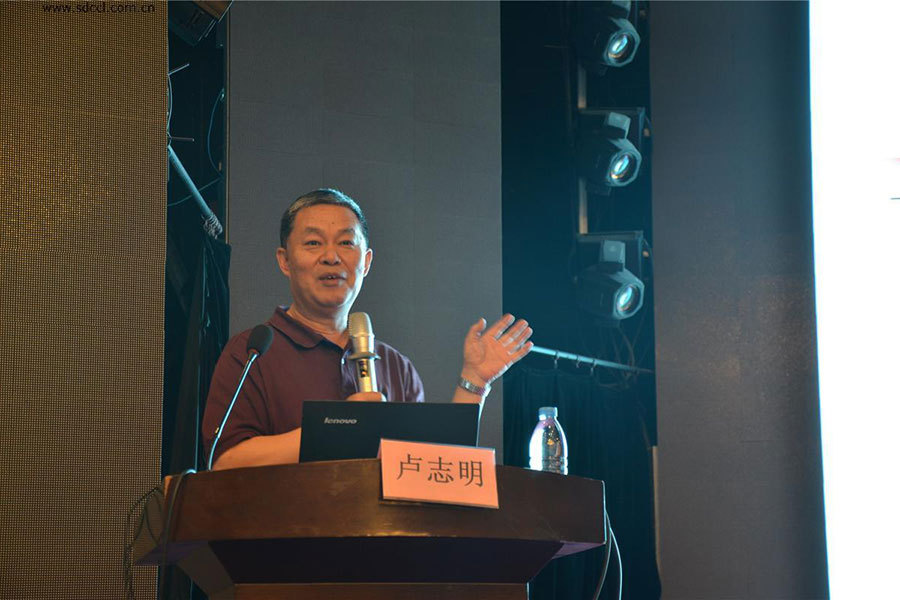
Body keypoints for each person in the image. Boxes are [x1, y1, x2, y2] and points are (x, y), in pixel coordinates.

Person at [201, 189, 533, 470]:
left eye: (346, 243)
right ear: (285, 261)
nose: (331, 257)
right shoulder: (252, 351)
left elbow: (432, 467)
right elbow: (225, 461)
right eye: (313, 243)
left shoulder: (395, 366)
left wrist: (474, 382)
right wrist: (339, 430)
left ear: (367, 262)